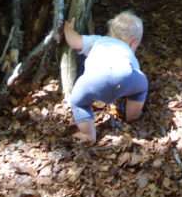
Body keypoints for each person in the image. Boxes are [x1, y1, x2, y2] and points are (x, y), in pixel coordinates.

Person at [63, 10, 148, 143]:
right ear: (134, 43)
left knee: (78, 103)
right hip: (124, 74)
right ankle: (133, 115)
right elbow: (134, 75)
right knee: (141, 87)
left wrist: (68, 29)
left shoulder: (98, 40)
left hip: (93, 79)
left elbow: (74, 41)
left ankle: (88, 134)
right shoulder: (129, 53)